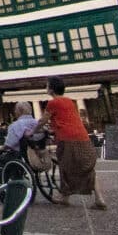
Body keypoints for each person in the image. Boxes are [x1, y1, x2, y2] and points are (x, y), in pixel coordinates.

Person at [37, 77, 108, 209]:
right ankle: (99, 198)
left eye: (47, 86)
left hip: (67, 139)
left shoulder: (53, 103)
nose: (46, 88)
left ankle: (65, 197)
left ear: (51, 89)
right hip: (83, 138)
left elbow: (42, 121)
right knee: (88, 168)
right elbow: (67, 120)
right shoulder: (69, 101)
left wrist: (32, 131)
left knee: (65, 166)